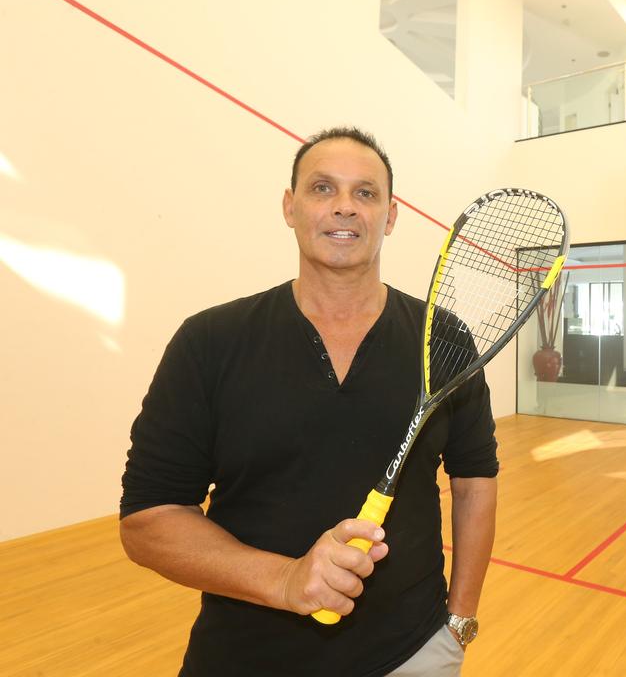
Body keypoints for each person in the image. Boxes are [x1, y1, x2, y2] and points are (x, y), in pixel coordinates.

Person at [120, 127, 499, 676]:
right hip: (243, 655)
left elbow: (475, 481)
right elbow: (148, 520)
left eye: (365, 193)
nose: (344, 207)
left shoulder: (444, 339)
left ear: (390, 217)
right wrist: (284, 579)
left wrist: (458, 623)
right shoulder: (209, 342)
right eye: (322, 188)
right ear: (289, 207)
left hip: (412, 652)